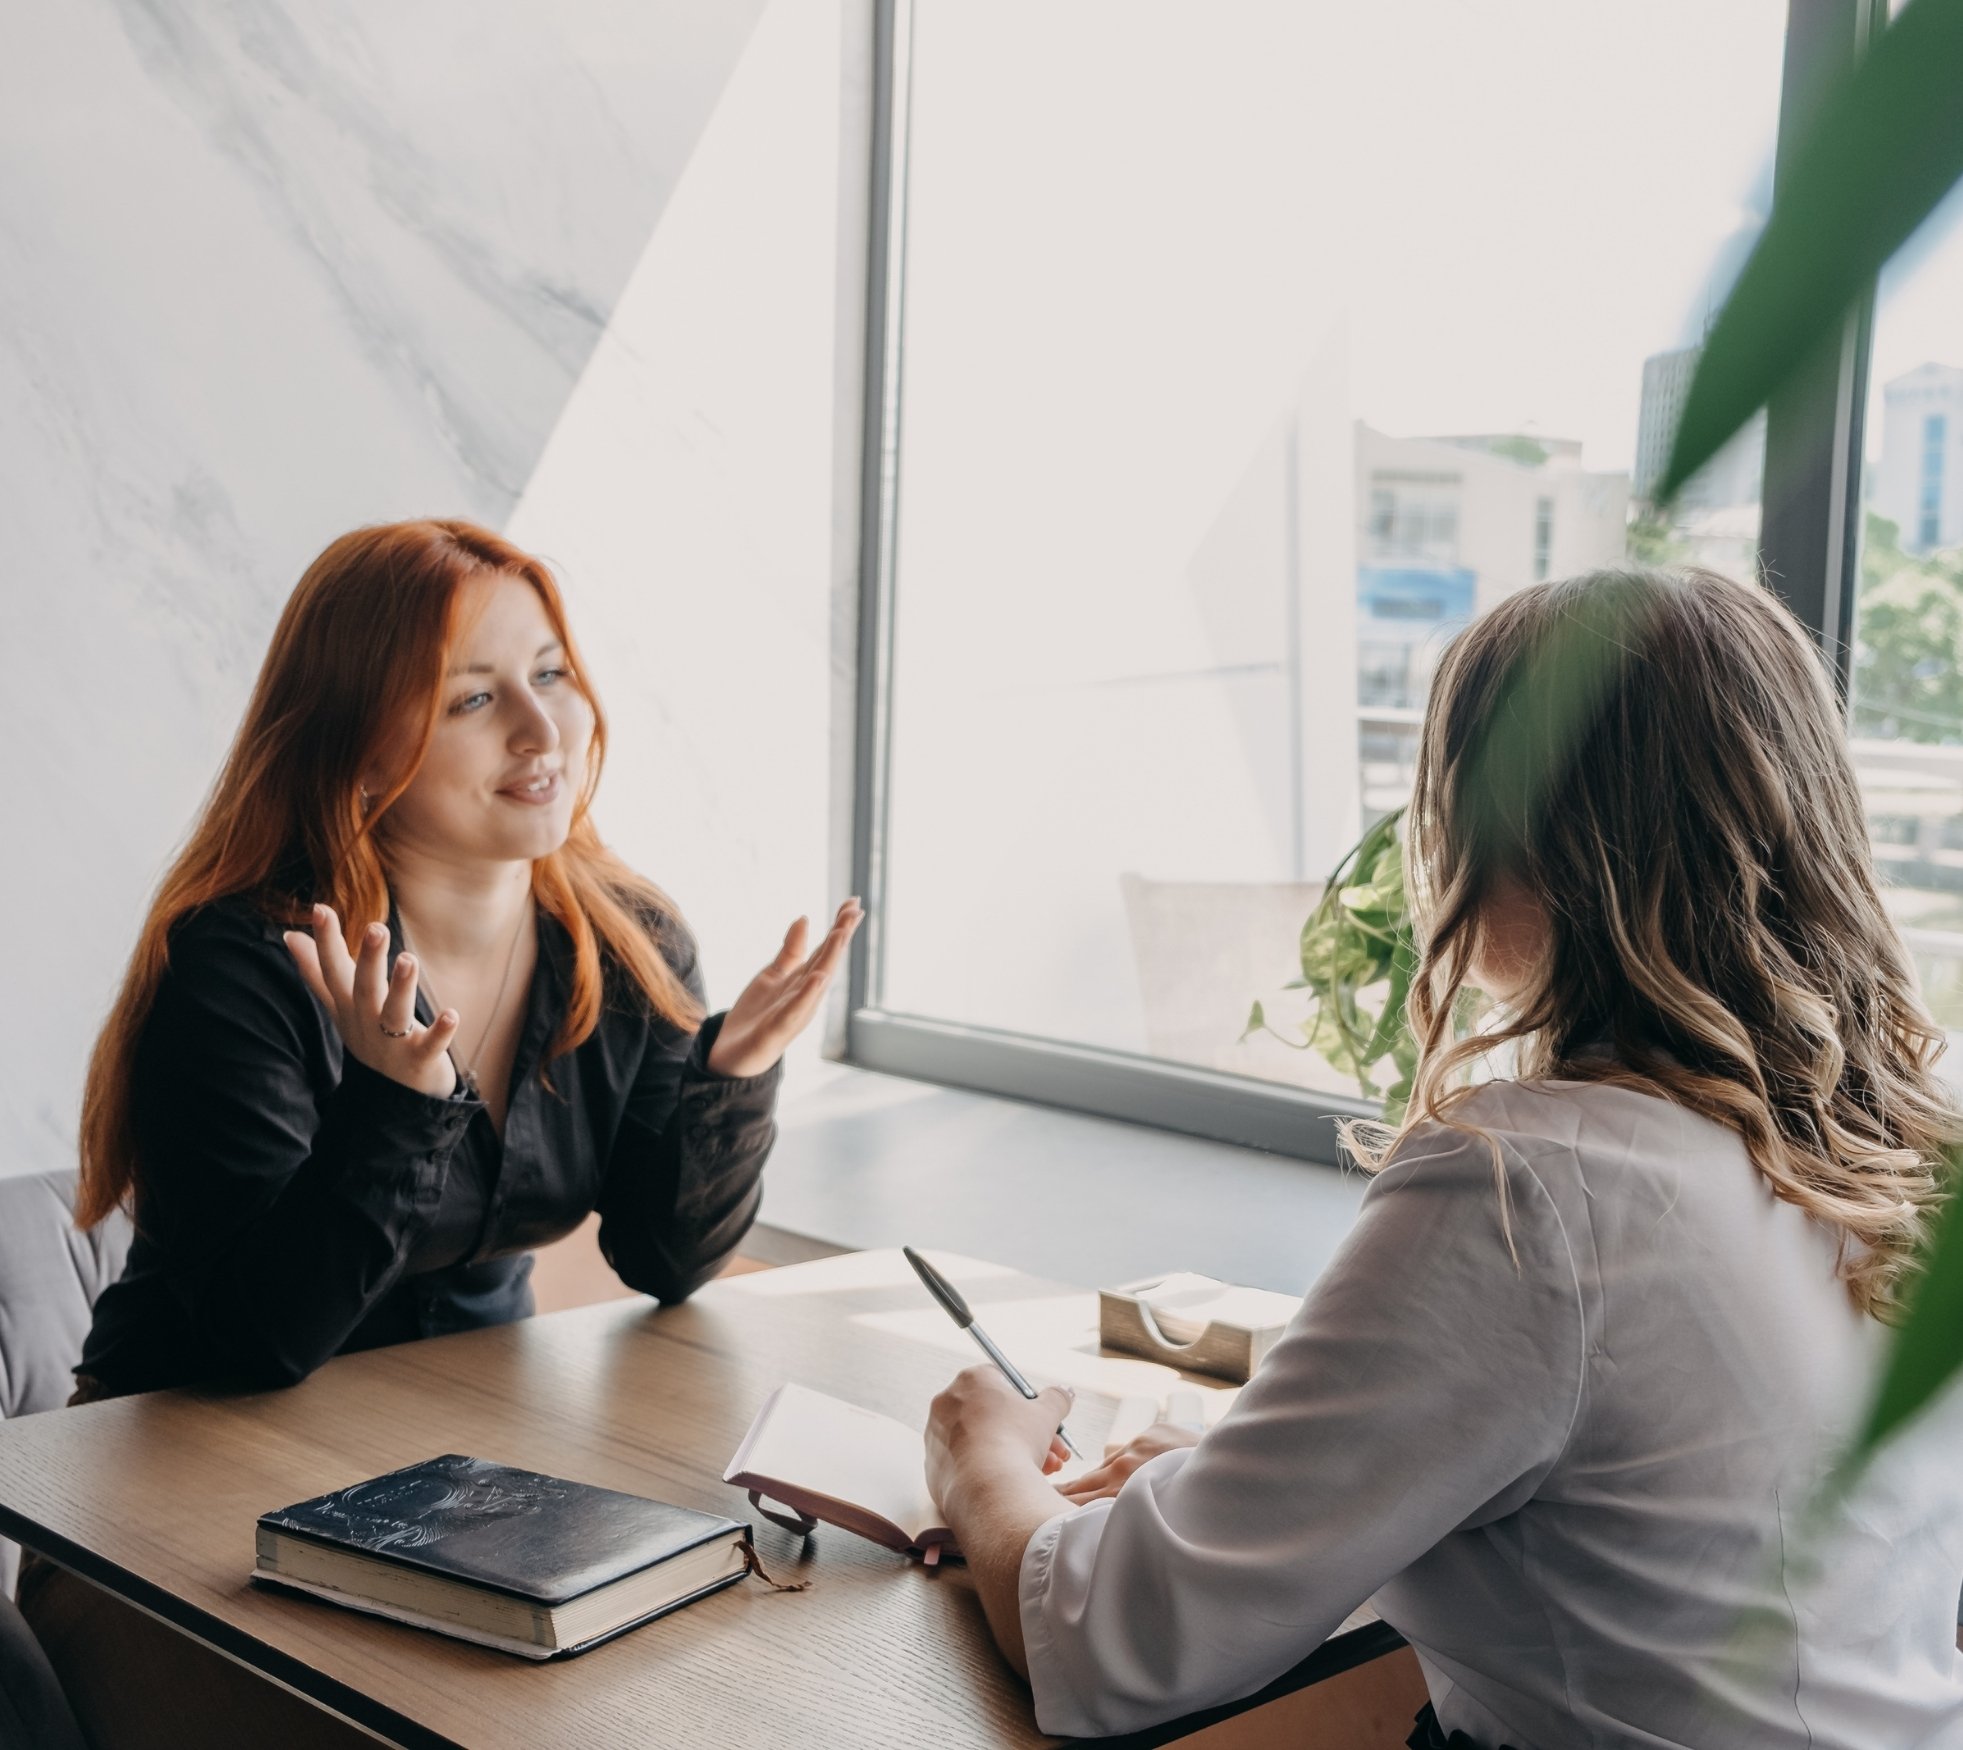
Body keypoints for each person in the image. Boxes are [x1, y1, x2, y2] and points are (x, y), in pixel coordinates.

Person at [924, 566, 1963, 1750]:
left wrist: (977, 1457)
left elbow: (1116, 1638)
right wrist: (1273, 1481)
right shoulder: (1896, 1143)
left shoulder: (1533, 1186)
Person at [27, 517, 859, 1749]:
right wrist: (398, 1106)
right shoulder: (244, 967)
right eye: (474, 698)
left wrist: (731, 1075)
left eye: (552, 675)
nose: (542, 731)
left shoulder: (621, 940)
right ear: (359, 747)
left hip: (453, 1485)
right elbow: (260, 1338)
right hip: (174, 1500)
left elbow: (662, 1256)